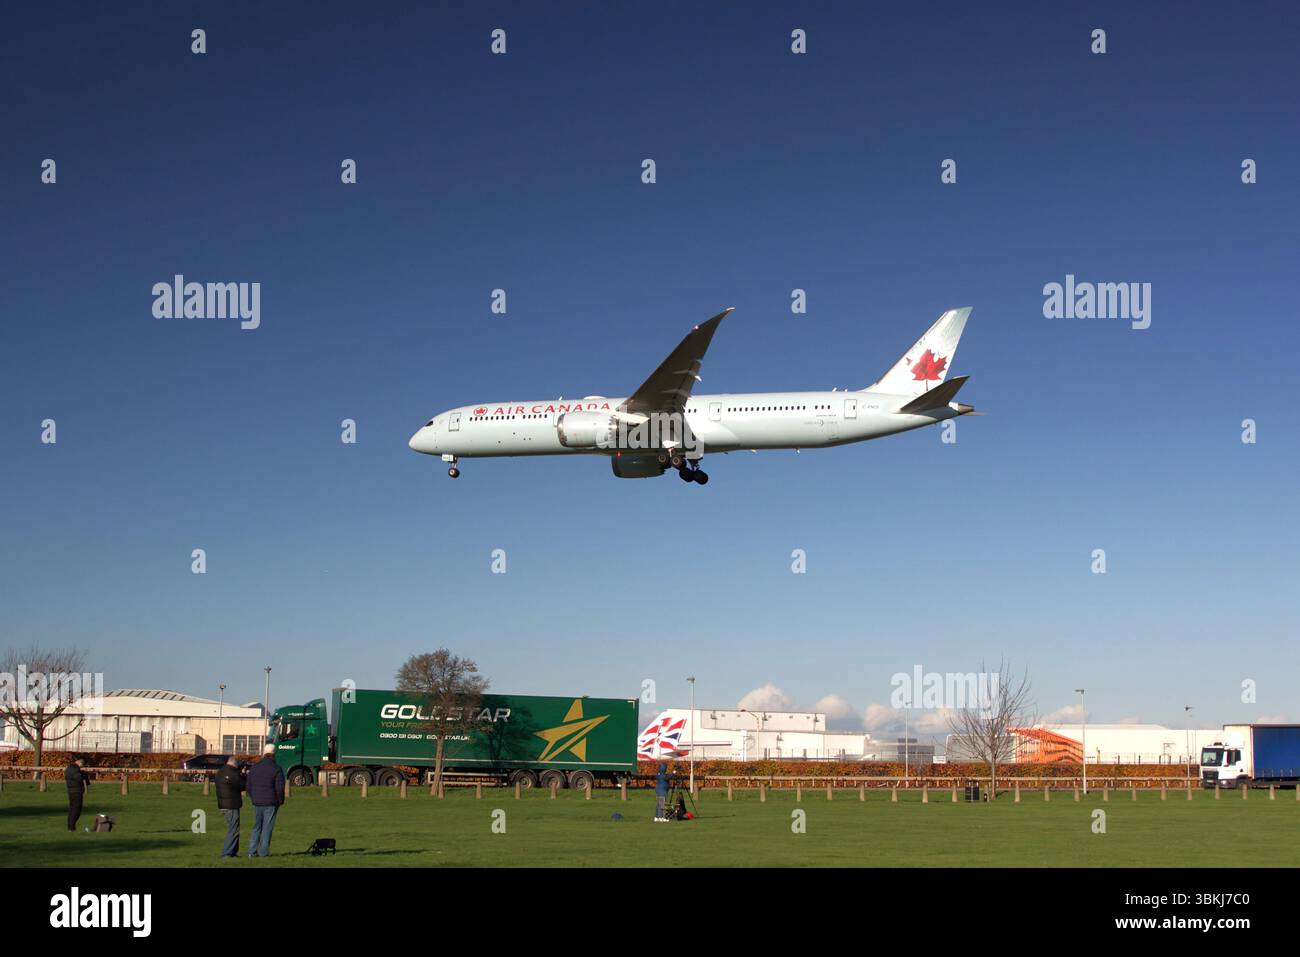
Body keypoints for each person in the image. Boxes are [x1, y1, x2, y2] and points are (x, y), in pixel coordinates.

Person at [244, 744, 285, 858]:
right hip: (271, 802)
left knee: (256, 827)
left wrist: (253, 797)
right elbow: (279, 788)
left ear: (263, 753)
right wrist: (280, 801)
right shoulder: (276, 768)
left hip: (257, 802)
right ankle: (263, 852)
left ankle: (251, 852)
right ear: (274, 754)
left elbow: (248, 786)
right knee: (267, 828)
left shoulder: (254, 767)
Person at [214, 755, 245, 858]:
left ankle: (232, 852)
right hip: (231, 804)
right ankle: (227, 853)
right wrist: (243, 774)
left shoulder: (221, 772)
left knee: (233, 828)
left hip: (223, 804)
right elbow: (243, 785)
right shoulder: (232, 773)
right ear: (235, 764)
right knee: (233, 829)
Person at [64, 756, 89, 832]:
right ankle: (71, 827)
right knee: (76, 810)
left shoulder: (69, 768)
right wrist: (83, 775)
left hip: (71, 791)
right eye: (82, 764)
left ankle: (71, 827)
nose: (82, 766)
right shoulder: (75, 769)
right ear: (79, 762)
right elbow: (78, 778)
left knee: (72, 809)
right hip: (76, 791)